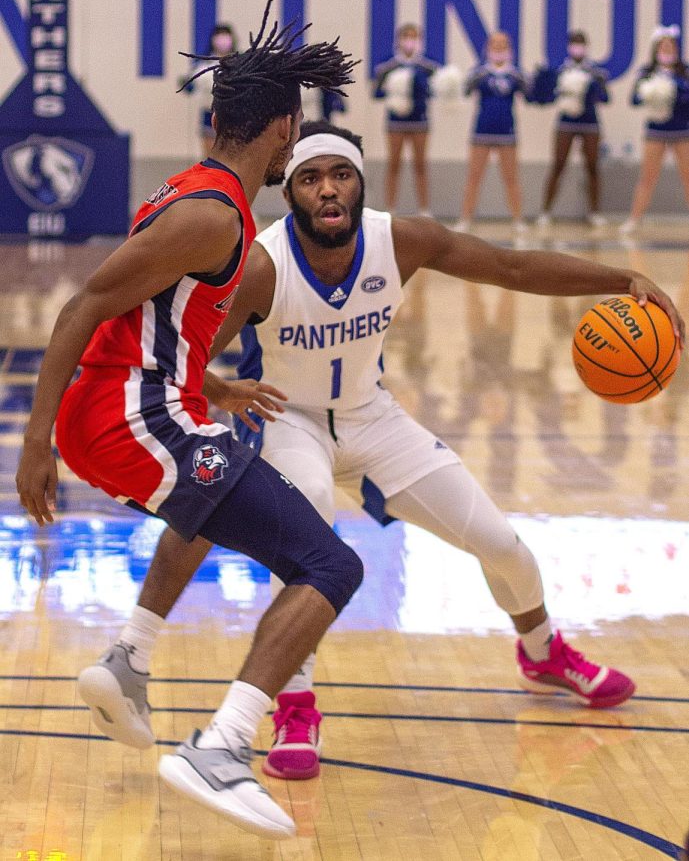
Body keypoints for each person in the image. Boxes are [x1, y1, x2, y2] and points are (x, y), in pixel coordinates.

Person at [82, 120, 684, 787]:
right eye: (309, 178)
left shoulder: (401, 241)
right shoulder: (261, 264)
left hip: (373, 419)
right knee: (306, 527)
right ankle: (294, 704)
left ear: (359, 182)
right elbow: (185, 352)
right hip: (290, 422)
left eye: (339, 174)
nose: (327, 189)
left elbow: (511, 266)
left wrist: (620, 278)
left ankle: (542, 651)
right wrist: (222, 390)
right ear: (292, 193)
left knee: (501, 543)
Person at [15, 0, 359, 840]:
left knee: (211, 500)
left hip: (145, 407)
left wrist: (214, 388)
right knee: (329, 564)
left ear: (217, 120)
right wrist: (32, 444)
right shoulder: (212, 214)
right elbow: (84, 306)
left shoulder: (202, 193)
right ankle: (225, 749)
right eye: (297, 128)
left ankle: (128, 660)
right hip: (126, 420)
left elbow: (145, 326)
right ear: (283, 127)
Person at [454, 32, 530, 232]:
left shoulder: (516, 75)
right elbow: (464, 90)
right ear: (487, 48)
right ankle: (466, 217)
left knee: (511, 177)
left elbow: (531, 95)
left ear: (509, 48)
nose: (498, 48)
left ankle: (517, 219)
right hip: (482, 131)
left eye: (503, 44)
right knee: (474, 177)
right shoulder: (479, 74)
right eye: (494, 44)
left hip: (507, 132)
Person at [533, 31, 609, 228]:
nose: (577, 48)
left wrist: (591, 88)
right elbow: (545, 97)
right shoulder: (560, 71)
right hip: (566, 122)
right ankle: (545, 211)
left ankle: (594, 212)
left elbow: (605, 98)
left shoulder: (595, 72)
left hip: (590, 122)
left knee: (592, 166)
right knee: (558, 164)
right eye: (574, 44)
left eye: (581, 44)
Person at [620, 25, 689, 235]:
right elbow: (634, 99)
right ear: (656, 49)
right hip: (656, 131)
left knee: (687, 176)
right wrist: (650, 93)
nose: (667, 50)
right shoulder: (647, 72)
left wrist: (674, 88)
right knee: (648, 177)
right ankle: (634, 219)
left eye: (670, 46)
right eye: (663, 46)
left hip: (681, 130)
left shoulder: (683, 72)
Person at [373, 23, 438, 216]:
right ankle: (390, 208)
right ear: (399, 40)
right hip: (396, 122)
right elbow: (377, 93)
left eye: (415, 37)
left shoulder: (427, 67)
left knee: (420, 164)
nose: (410, 41)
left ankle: (424, 209)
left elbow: (434, 92)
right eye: (406, 36)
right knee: (394, 163)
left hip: (419, 121)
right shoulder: (388, 66)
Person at [181, 23, 239, 157]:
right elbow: (190, 86)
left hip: (235, 114)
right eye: (219, 36)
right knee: (210, 154)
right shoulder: (203, 65)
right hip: (209, 112)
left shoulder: (240, 63)